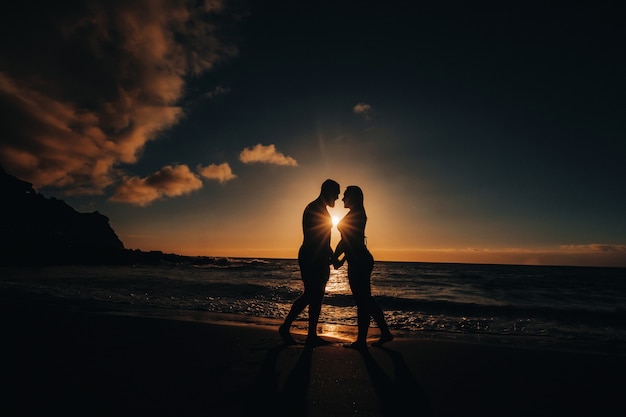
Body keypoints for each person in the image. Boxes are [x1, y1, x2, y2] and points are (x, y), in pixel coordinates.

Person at [279, 179, 341, 346]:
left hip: (315, 255)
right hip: (312, 256)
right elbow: (316, 238)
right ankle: (290, 328)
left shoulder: (317, 208)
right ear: (328, 192)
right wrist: (330, 256)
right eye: (336, 194)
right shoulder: (315, 209)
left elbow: (322, 240)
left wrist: (330, 255)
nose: (337, 198)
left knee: (315, 296)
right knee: (311, 294)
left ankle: (309, 334)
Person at [332, 185, 393, 349]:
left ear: (352, 197)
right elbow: (346, 240)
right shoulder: (354, 214)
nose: (343, 199)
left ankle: (364, 340)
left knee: (363, 300)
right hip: (358, 259)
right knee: (364, 300)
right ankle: (380, 334)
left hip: (360, 260)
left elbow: (349, 242)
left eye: (345, 196)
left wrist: (339, 259)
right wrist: (338, 257)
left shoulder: (357, 215)